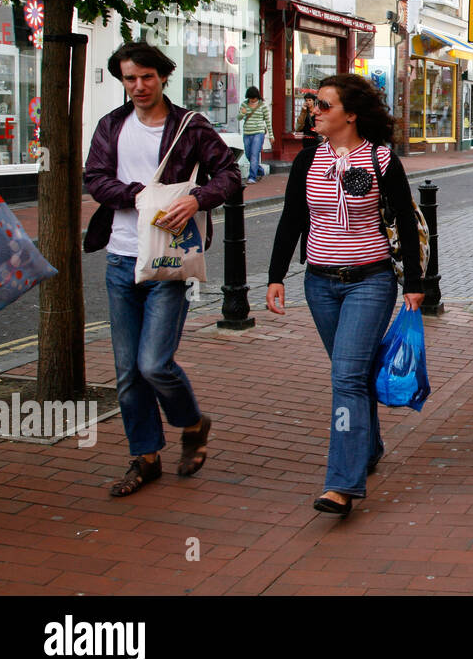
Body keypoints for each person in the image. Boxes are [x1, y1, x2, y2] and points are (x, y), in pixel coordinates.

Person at [83, 41, 242, 497]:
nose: (137, 86)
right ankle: (145, 456)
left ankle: (192, 424)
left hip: (169, 259)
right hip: (121, 256)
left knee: (153, 364)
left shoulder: (190, 126)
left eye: (146, 77)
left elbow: (229, 174)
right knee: (127, 370)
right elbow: (94, 178)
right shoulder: (111, 125)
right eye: (129, 78)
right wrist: (136, 195)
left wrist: (195, 198)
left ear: (163, 76)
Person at [266, 74, 425, 518]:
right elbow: (292, 219)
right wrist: (276, 275)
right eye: (315, 104)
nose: (314, 111)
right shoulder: (307, 159)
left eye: (324, 105)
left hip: (370, 281)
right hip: (319, 283)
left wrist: (414, 283)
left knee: (346, 377)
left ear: (350, 114)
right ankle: (368, 445)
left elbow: (408, 226)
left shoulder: (380, 159)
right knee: (352, 372)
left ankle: (341, 484)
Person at [237, 85, 273, 184]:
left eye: (254, 98)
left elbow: (268, 121)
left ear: (257, 97)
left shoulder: (263, 106)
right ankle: (260, 170)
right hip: (247, 132)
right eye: (250, 98)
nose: (252, 100)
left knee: (254, 154)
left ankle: (252, 176)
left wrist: (271, 135)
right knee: (248, 154)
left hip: (259, 132)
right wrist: (242, 113)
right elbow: (239, 118)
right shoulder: (244, 104)